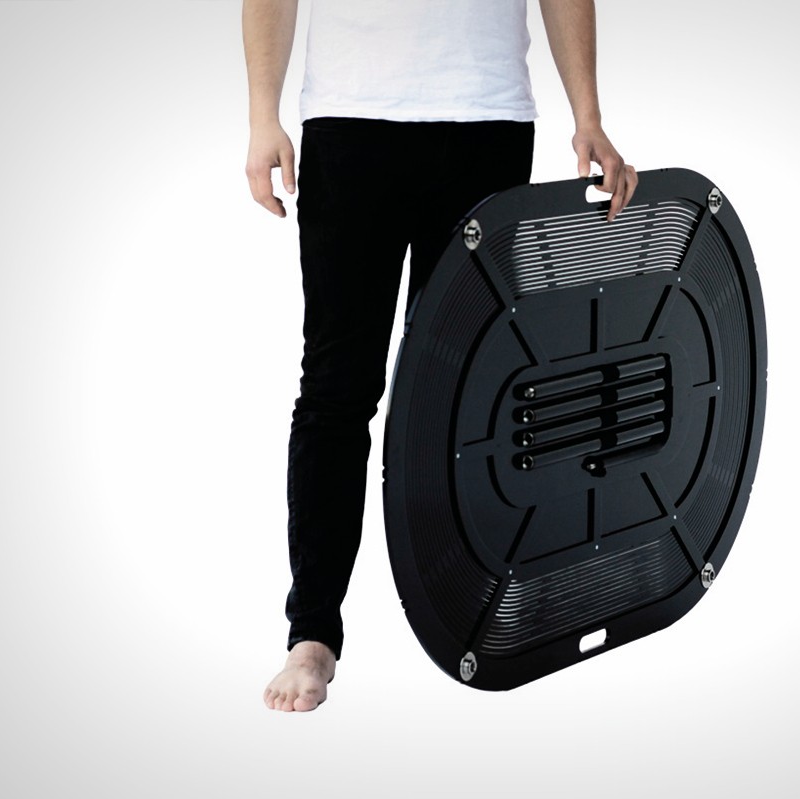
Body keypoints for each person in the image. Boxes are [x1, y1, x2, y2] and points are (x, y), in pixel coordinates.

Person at [243, 0, 638, 712]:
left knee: (471, 392)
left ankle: (476, 603)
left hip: (486, 118)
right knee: (338, 387)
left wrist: (589, 113)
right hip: (351, 118)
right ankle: (313, 634)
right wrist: (261, 115)